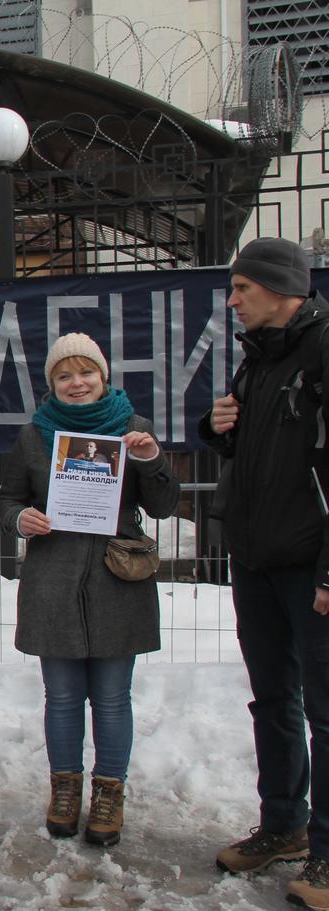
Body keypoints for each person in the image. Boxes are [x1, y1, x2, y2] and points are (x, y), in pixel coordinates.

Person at [0, 333, 179, 846]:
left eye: (86, 374)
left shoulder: (133, 429)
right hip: (53, 580)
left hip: (117, 579)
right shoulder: (35, 436)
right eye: (64, 376)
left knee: (114, 699)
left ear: (103, 377)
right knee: (62, 697)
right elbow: (8, 498)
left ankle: (109, 794)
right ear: (52, 383)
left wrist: (150, 459)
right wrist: (19, 519)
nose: (76, 384)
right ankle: (65, 791)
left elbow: (164, 505)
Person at [200, 238, 329, 908]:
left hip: (311, 566)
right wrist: (220, 426)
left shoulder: (323, 350)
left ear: (282, 289)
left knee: (326, 711)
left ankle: (328, 855)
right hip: (254, 558)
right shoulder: (256, 360)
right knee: (274, 700)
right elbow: (254, 450)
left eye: (243, 289)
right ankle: (284, 824)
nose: (234, 301)